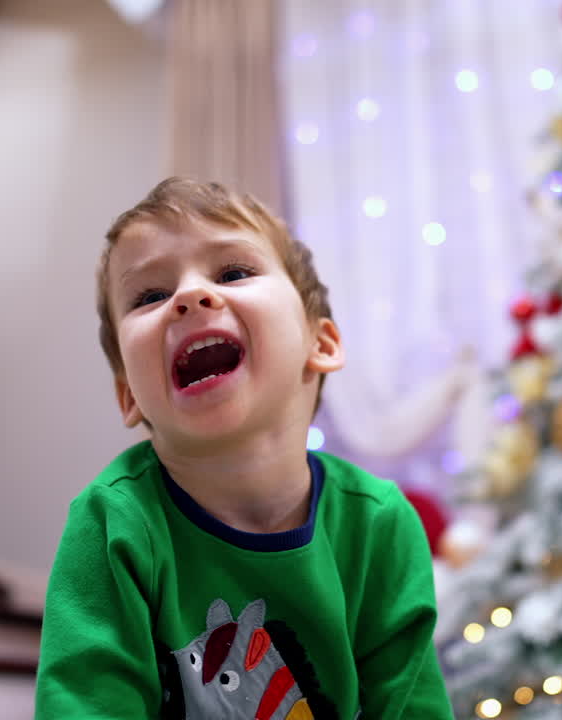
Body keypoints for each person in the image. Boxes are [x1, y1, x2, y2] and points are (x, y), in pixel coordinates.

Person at [35, 177, 453, 719]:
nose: (189, 296)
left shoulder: (378, 525)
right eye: (151, 296)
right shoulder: (113, 523)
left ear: (320, 344)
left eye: (233, 272)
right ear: (128, 395)